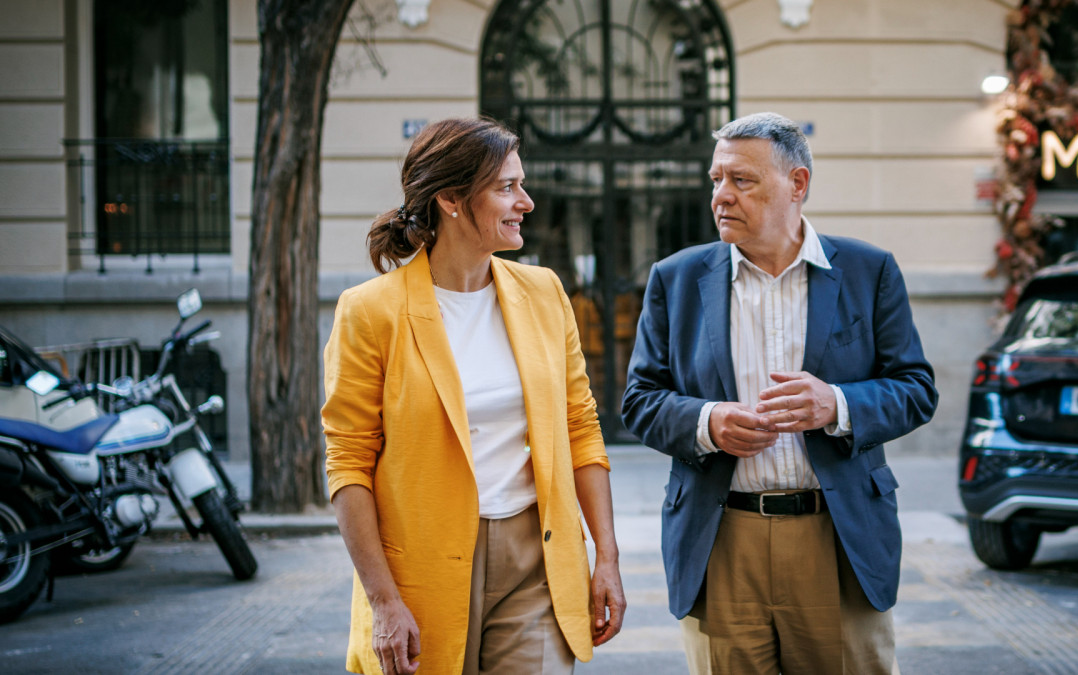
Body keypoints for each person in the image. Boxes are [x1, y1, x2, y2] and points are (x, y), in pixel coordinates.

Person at [621, 112, 937, 674]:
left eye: (741, 180)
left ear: (798, 185)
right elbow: (640, 400)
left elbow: (915, 389)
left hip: (836, 536)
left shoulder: (869, 270)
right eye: (716, 180)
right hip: (721, 540)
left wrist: (836, 405)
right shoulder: (676, 278)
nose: (721, 196)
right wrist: (707, 422)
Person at [323, 117, 626, 675]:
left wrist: (606, 556)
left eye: (522, 184)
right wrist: (383, 599)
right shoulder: (369, 312)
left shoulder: (544, 293)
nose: (526, 202)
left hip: (536, 557)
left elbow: (580, 428)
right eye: (507, 187)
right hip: (421, 567)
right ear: (452, 201)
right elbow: (349, 464)